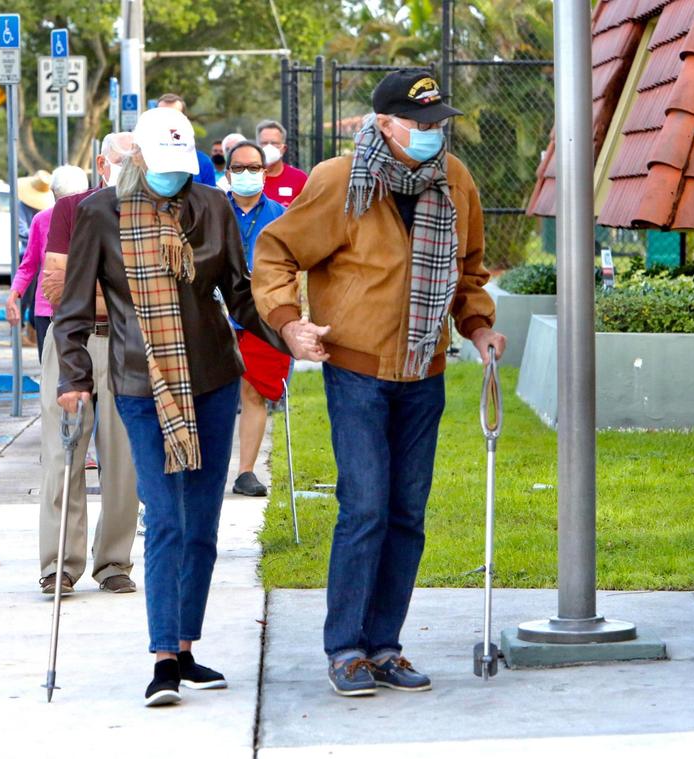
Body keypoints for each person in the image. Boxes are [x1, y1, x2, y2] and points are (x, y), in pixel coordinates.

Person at [252, 69, 506, 697]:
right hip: (359, 371)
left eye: (437, 122)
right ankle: (346, 649)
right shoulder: (341, 181)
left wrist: (477, 327)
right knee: (364, 507)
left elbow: (468, 270)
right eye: (419, 123)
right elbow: (276, 251)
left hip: (425, 371)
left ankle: (385, 646)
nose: (431, 133)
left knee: (406, 513)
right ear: (385, 123)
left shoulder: (456, 182)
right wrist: (289, 324)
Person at [52, 107, 295, 707]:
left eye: (180, 169)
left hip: (213, 379)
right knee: (165, 518)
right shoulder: (99, 212)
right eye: (161, 168)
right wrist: (75, 376)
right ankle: (162, 659)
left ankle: (187, 648)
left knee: (203, 524)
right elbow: (75, 308)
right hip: (143, 384)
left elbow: (238, 294)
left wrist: (288, 331)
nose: (171, 178)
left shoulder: (210, 207)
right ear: (138, 160)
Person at [35, 133, 141, 597]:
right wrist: (121, 290)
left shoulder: (147, 210)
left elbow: (159, 289)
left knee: (125, 462)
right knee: (63, 458)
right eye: (125, 160)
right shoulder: (71, 208)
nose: (133, 167)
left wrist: (90, 286)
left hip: (127, 346)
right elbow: (56, 288)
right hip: (71, 342)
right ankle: (59, 563)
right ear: (102, 163)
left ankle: (114, 562)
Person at [223, 141, 287, 497]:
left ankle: (246, 471)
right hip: (216, 315)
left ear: (265, 172)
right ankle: (207, 469)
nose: (246, 174)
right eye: (239, 168)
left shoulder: (281, 214)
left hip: (260, 316)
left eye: (253, 168)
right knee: (212, 394)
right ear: (228, 172)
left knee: (254, 391)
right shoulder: (213, 209)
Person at [6, 166, 89, 362]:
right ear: (53, 195)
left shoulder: (94, 219)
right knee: (50, 371)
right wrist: (13, 295)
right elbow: (29, 264)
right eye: (63, 200)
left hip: (84, 307)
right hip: (47, 311)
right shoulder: (42, 220)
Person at [155, 93, 217, 187]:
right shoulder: (142, 159)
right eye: (162, 116)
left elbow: (210, 199)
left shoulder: (202, 162)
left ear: (184, 120)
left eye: (174, 116)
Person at [256, 119, 308, 207]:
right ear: (257, 147)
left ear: (283, 149)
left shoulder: (299, 179)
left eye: (274, 143)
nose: (269, 147)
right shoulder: (248, 178)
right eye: (264, 143)